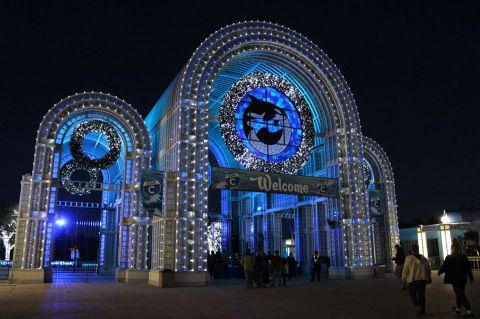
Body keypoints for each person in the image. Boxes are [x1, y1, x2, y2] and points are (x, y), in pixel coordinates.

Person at [438, 243, 475, 317]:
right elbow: (468, 268)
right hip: (462, 278)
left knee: (460, 294)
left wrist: (439, 272)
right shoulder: (463, 257)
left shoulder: (449, 257)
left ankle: (469, 310)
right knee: (460, 293)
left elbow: (444, 266)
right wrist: (471, 278)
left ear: (452, 248)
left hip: (454, 279)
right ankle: (458, 309)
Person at [402, 244, 432, 316]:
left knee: (412, 294)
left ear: (411, 250)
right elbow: (428, 269)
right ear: (418, 249)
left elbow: (405, 269)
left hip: (413, 280)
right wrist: (428, 278)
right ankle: (422, 310)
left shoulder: (409, 258)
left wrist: (404, 278)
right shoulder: (424, 258)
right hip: (423, 280)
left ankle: (417, 306)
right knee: (422, 295)